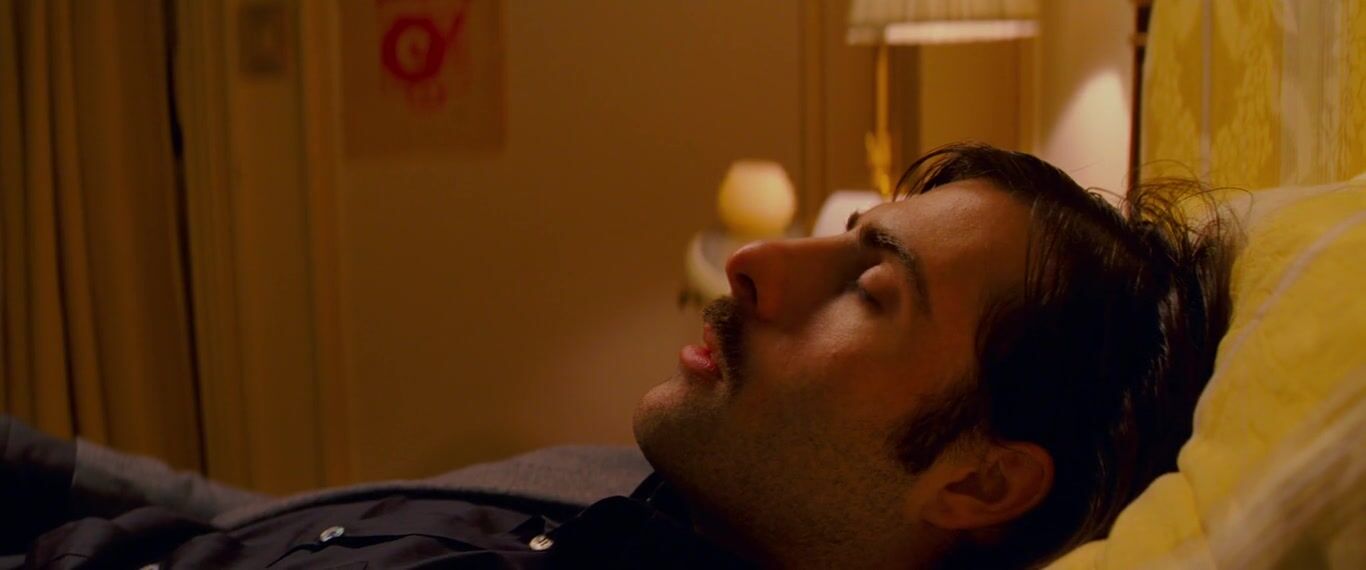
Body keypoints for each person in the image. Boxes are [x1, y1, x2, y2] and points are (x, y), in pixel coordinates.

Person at [1, 143, 1234, 569]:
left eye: (870, 291)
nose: (753, 263)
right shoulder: (651, 492)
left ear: (979, 478)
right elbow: (259, 522)